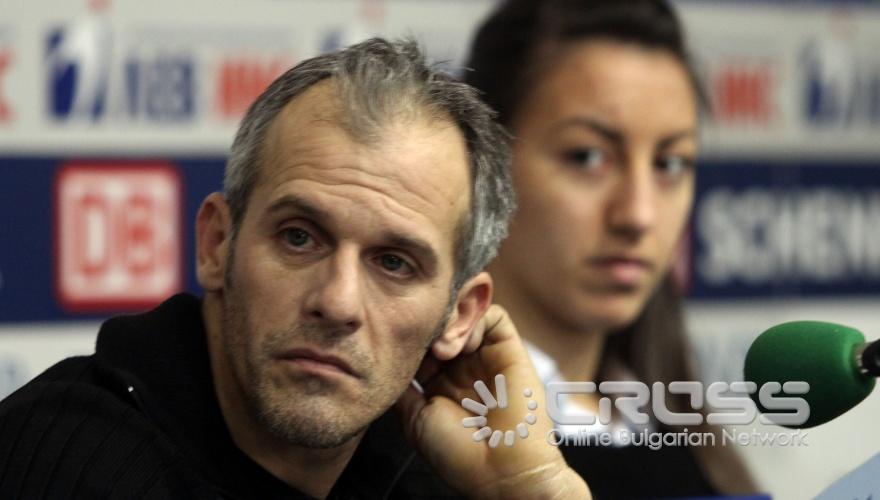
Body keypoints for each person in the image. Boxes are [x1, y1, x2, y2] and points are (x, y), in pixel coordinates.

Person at [0, 38, 590, 499]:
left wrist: (532, 488)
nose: (337, 303)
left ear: (459, 316)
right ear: (217, 244)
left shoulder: (434, 473)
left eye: (394, 263)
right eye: (299, 237)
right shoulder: (61, 462)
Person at [465, 0, 757, 497]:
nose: (638, 214)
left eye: (670, 163)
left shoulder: (680, 438)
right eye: (587, 157)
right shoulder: (419, 448)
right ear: (484, 164)